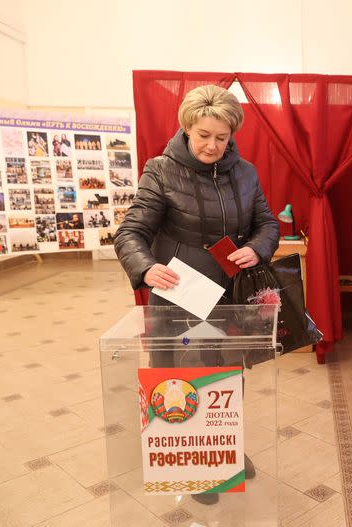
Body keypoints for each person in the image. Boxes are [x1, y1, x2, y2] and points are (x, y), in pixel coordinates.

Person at [114, 84, 278, 501]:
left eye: (222, 137)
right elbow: (131, 232)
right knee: (182, 379)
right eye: (204, 135)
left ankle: (224, 448)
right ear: (187, 128)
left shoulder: (245, 171)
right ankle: (193, 461)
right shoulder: (160, 169)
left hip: (229, 293)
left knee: (226, 377)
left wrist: (256, 248)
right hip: (178, 295)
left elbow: (268, 224)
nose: (212, 145)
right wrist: (146, 267)